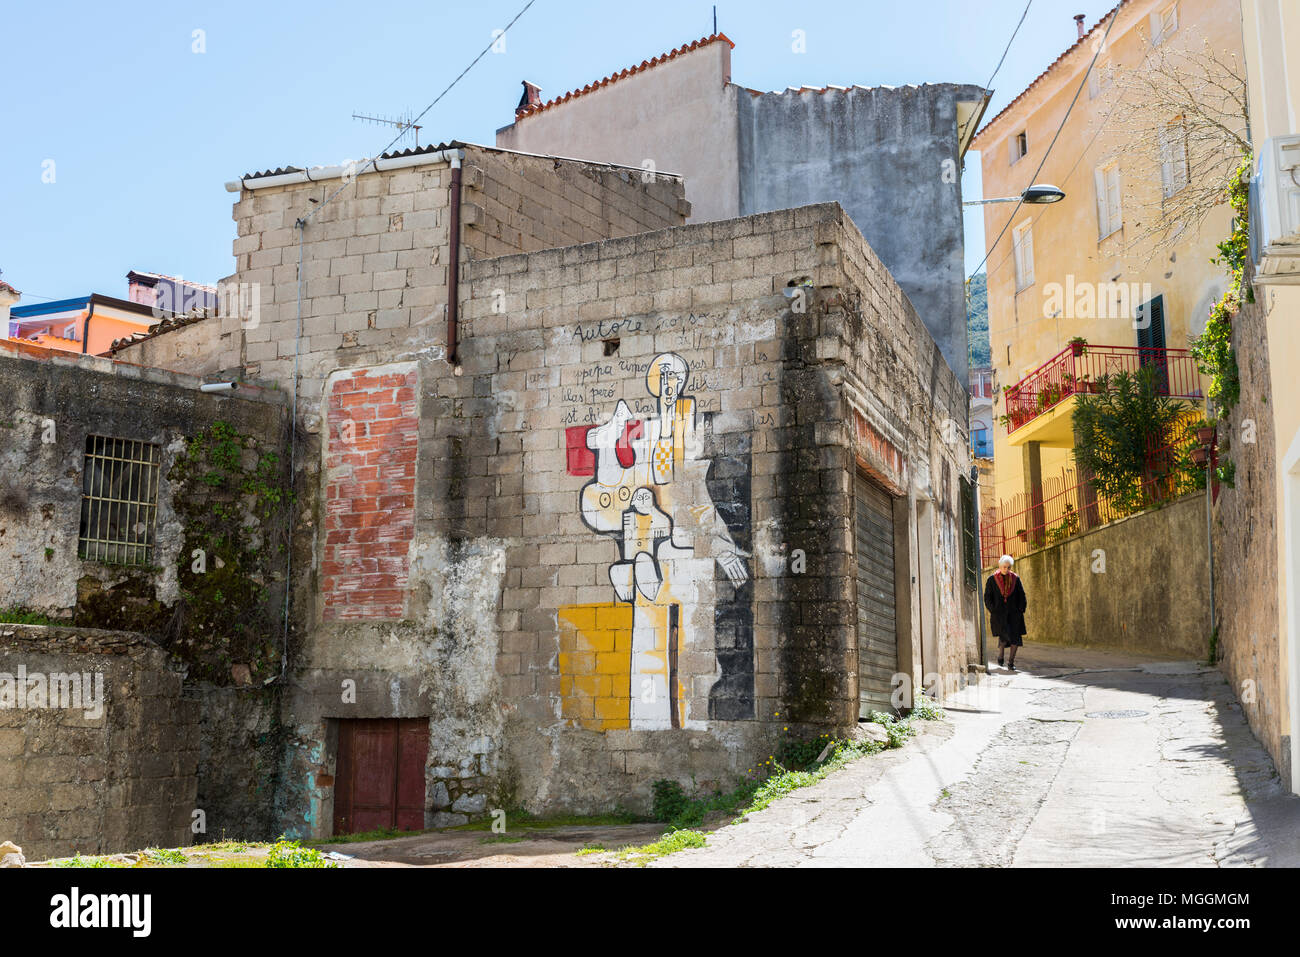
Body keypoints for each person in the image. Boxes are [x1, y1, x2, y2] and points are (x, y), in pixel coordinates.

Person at [984, 555, 1027, 670]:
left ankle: (1011, 662)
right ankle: (1001, 654)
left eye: (1008, 567)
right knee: (1003, 636)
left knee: (1016, 638)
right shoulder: (992, 579)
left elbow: (1022, 595)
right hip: (1000, 614)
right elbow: (987, 597)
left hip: (1015, 614)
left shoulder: (1015, 579)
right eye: (1004, 567)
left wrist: (1021, 609)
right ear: (999, 566)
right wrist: (992, 609)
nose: (1006, 569)